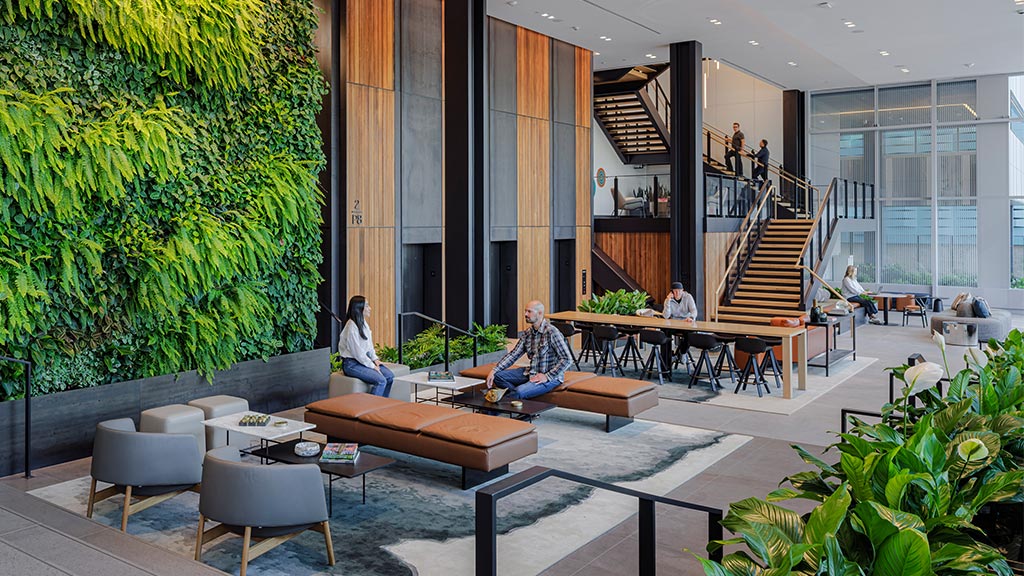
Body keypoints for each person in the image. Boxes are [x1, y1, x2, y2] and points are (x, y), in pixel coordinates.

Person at [486, 300, 572, 400]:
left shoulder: (552, 332)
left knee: (519, 391)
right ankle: (518, 399)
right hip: (531, 372)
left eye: (529, 311)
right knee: (497, 376)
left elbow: (567, 359)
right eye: (525, 311)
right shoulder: (528, 333)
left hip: (550, 377)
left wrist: (547, 376)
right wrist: (494, 370)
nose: (525, 314)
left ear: (539, 313)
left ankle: (501, 404)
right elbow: (514, 354)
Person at [338, 295, 395, 396]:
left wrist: (375, 359)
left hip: (363, 361)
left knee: (389, 376)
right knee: (381, 381)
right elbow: (357, 353)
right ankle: (372, 405)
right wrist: (372, 366)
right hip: (351, 364)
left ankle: (383, 403)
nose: (370, 308)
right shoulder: (351, 327)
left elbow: (369, 345)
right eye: (367, 306)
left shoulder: (363, 322)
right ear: (359, 308)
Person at [661, 282, 697, 370]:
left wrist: (691, 317)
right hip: (673, 324)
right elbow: (665, 316)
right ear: (672, 292)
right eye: (675, 291)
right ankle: (666, 361)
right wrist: (668, 301)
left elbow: (694, 310)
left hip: (686, 322)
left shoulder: (688, 297)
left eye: (679, 291)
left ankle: (682, 353)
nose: (677, 293)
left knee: (690, 334)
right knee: (664, 331)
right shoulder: (668, 300)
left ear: (682, 291)